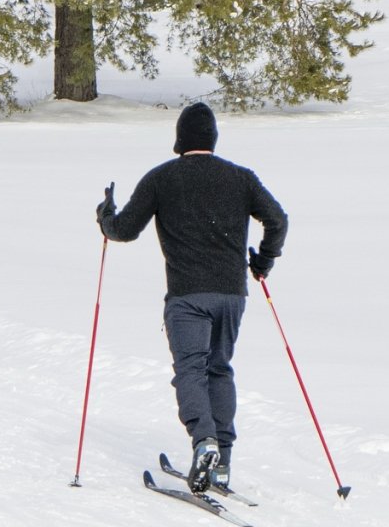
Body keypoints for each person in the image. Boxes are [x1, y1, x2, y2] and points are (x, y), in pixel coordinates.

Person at [99, 102, 286, 494]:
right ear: (213, 140)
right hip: (232, 294)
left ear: (179, 140)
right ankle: (222, 463)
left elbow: (125, 230)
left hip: (187, 296)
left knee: (190, 370)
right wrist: (264, 260)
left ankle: (205, 443)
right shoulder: (240, 178)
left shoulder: (162, 179)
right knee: (219, 369)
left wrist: (106, 217)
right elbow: (278, 220)